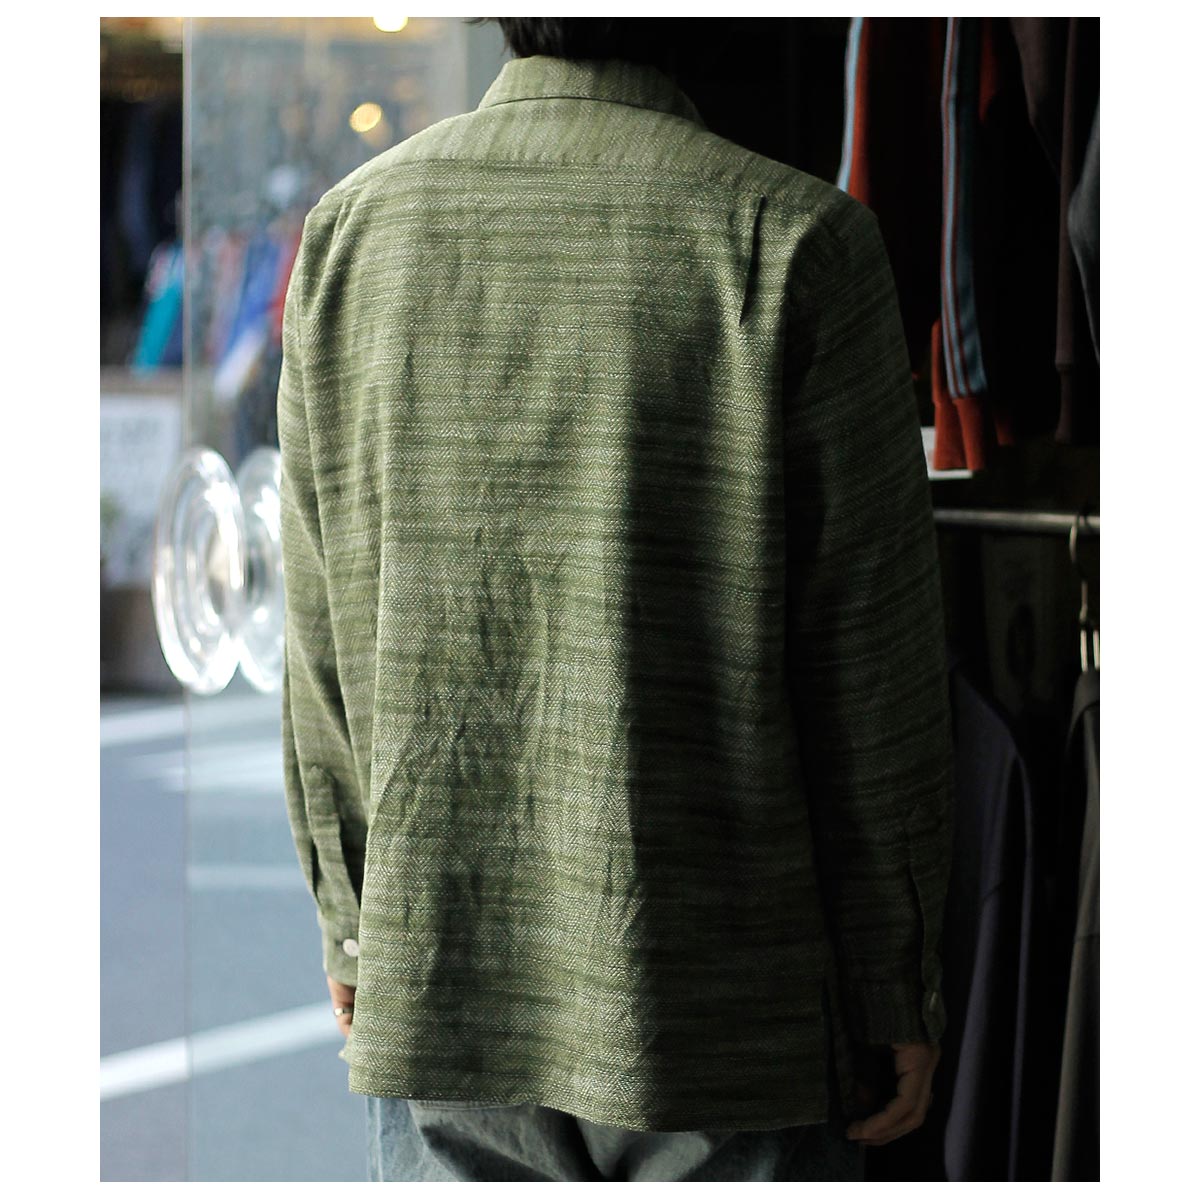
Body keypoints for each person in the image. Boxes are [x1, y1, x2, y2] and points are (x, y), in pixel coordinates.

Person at [278, 16, 955, 1183]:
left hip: (443, 977)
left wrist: (352, 914)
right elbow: (871, 670)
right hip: (721, 1001)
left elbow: (322, 629)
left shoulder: (353, 235)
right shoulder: (798, 241)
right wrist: (898, 976)